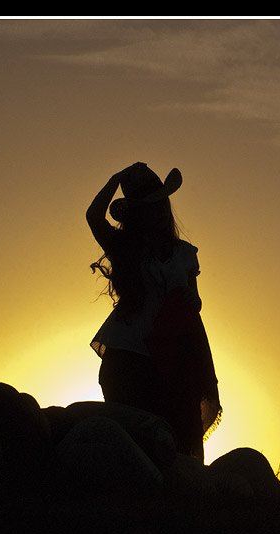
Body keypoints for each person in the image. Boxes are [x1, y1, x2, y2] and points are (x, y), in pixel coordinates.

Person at [87, 162, 221, 461]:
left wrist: (189, 297)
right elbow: (93, 216)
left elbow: (196, 303)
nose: (159, 210)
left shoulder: (185, 253)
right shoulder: (125, 247)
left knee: (167, 440)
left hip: (170, 354)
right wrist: (116, 178)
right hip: (128, 353)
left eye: (161, 202)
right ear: (138, 212)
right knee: (135, 440)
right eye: (150, 205)